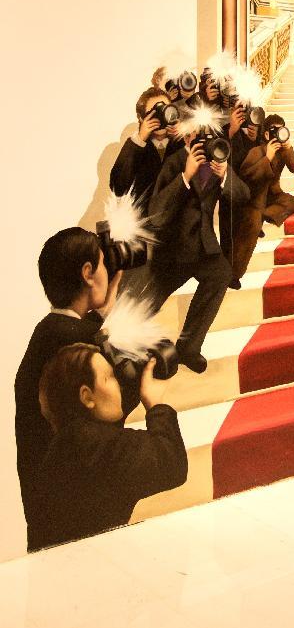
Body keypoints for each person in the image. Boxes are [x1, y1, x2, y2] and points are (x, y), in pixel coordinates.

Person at [15, 227, 126, 551]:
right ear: (88, 273)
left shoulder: (49, 331)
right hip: (76, 513)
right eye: (103, 264)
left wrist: (104, 310)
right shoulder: (75, 343)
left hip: (50, 507)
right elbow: (116, 405)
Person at [34, 343, 188, 549]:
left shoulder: (71, 441)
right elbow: (170, 465)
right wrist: (155, 405)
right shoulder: (96, 446)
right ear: (87, 397)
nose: (119, 385)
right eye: (109, 377)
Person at [144, 126, 250, 373]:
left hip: (203, 245)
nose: (204, 142)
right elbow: (156, 214)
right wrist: (184, 176)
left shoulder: (217, 160)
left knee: (221, 274)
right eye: (198, 136)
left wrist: (224, 176)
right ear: (187, 137)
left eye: (209, 136)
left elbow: (243, 195)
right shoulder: (175, 161)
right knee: (148, 299)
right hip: (173, 249)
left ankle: (189, 347)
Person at [223, 113, 294, 290]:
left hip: (272, 196)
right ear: (266, 134)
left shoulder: (283, 151)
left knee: (292, 202)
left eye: (281, 130)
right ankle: (234, 274)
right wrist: (267, 158)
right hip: (254, 198)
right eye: (274, 131)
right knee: (253, 225)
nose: (278, 134)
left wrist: (288, 147)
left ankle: (265, 215)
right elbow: (248, 176)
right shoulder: (257, 151)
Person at [110, 86, 183, 216]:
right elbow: (117, 188)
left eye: (164, 110)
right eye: (154, 113)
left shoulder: (183, 144)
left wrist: (185, 139)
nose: (161, 117)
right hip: (145, 228)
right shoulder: (136, 147)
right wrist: (139, 139)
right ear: (141, 118)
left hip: (179, 228)